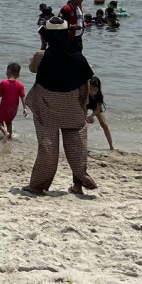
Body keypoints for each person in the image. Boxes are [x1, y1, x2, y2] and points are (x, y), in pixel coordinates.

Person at [24, 17, 96, 195]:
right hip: (72, 107)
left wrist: (43, 45)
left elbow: (32, 69)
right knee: (77, 146)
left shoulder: (41, 56)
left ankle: (37, 186)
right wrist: (81, 105)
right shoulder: (79, 57)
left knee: (47, 147)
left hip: (45, 107)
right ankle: (79, 184)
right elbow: (83, 85)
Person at [0, 62, 27, 142]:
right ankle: (10, 137)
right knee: (8, 122)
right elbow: (23, 97)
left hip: (4, 108)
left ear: (7, 73)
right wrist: (25, 108)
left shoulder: (3, 83)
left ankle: (6, 133)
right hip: (14, 110)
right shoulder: (20, 85)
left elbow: (0, 94)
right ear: (18, 75)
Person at [83, 77, 115, 150]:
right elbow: (83, 107)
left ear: (99, 89)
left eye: (95, 90)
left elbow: (97, 109)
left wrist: (91, 116)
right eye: (90, 89)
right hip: (85, 106)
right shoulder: (85, 94)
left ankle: (111, 146)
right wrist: (86, 117)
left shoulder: (100, 96)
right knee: (82, 124)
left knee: (104, 125)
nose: (93, 92)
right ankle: (82, 144)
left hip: (95, 108)